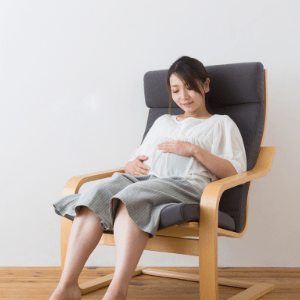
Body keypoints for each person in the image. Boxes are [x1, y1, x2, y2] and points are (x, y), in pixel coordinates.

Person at [50, 56, 247, 300]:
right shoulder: (162, 121)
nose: (183, 96)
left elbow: (236, 171)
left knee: (130, 197)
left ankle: (117, 291)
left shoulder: (221, 124)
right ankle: (67, 286)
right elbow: (138, 158)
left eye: (190, 87)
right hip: (142, 181)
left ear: (205, 86)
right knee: (96, 193)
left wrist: (194, 150)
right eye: (175, 90)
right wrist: (130, 165)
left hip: (185, 186)